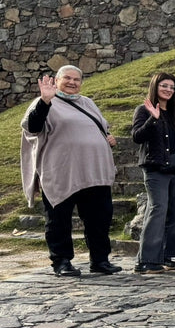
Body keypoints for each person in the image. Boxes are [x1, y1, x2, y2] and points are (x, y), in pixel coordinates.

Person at [20, 65, 122, 276]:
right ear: (57, 81)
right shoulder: (45, 103)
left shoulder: (88, 103)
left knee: (99, 219)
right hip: (62, 172)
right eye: (67, 78)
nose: (72, 82)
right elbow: (32, 126)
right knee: (59, 220)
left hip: (94, 172)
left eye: (77, 79)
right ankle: (62, 262)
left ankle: (100, 260)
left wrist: (108, 138)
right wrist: (45, 101)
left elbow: (101, 127)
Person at [132, 72, 175, 274]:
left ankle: (170, 255)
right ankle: (147, 260)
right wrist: (153, 119)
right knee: (158, 209)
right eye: (164, 86)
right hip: (156, 168)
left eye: (171, 87)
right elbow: (137, 137)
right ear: (155, 86)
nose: (168, 90)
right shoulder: (143, 110)